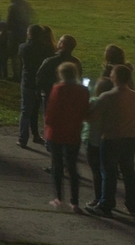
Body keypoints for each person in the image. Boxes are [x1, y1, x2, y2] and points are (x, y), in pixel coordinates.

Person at [89, 64, 135, 217]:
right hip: (129, 138)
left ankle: (106, 204)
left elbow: (93, 117)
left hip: (111, 139)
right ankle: (132, 204)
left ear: (115, 77)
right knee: (129, 173)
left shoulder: (107, 96)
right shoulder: (134, 95)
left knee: (109, 174)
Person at [45, 61, 89, 212]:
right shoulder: (83, 90)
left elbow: (51, 111)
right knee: (72, 166)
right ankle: (74, 201)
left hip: (56, 132)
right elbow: (85, 111)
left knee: (57, 165)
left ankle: (58, 198)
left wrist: (48, 123)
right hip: (73, 132)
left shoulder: (57, 89)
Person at [17, 25, 55, 147]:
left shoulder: (24, 47)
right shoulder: (47, 49)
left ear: (30, 34)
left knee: (25, 111)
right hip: (41, 84)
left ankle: (23, 138)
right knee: (42, 111)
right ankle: (46, 139)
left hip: (28, 82)